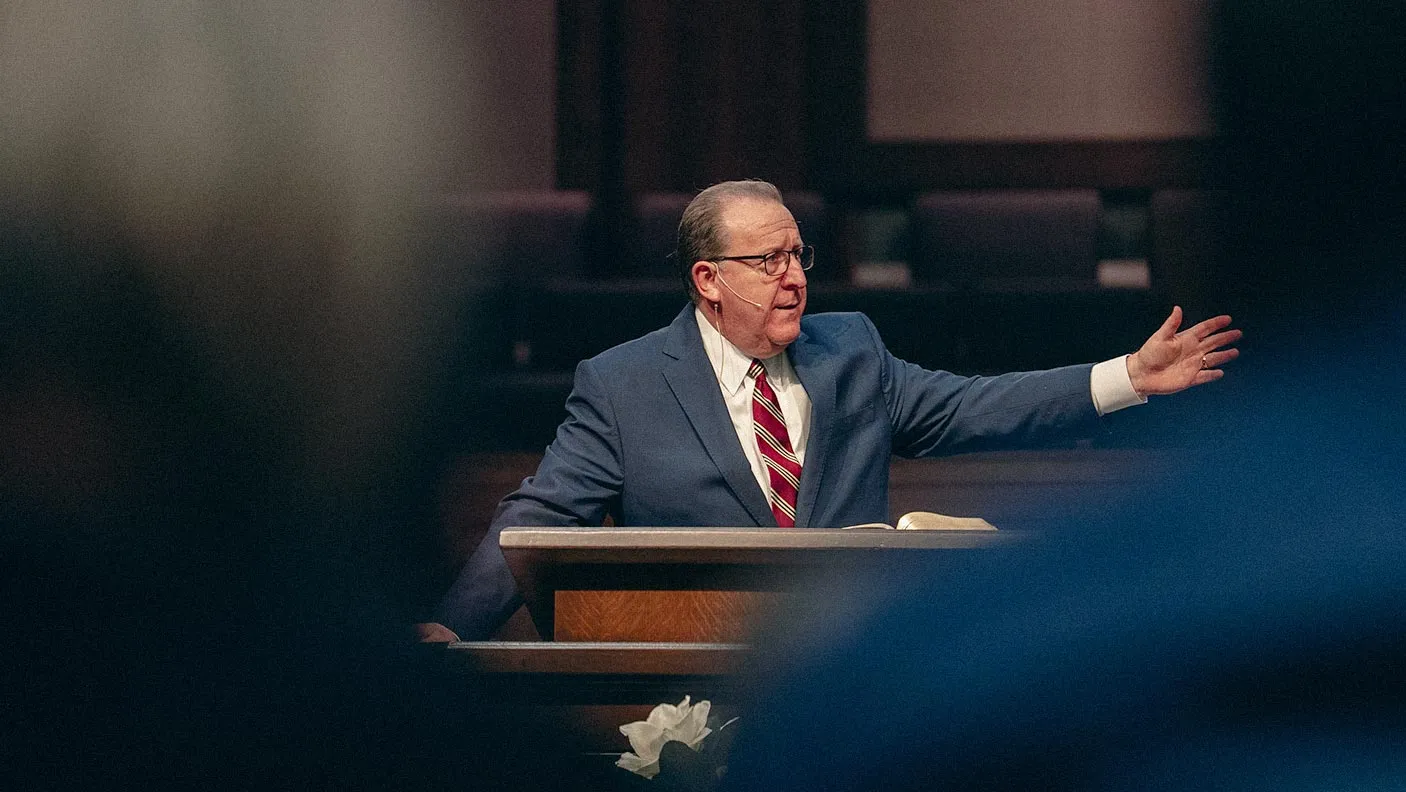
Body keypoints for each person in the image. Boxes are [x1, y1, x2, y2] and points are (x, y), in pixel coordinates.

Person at [422, 179, 1241, 641]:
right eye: (768, 259)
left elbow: (973, 407)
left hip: (840, 659)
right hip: (692, 672)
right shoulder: (624, 384)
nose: (794, 276)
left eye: (797, 254)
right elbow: (540, 515)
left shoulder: (849, 350)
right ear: (708, 280)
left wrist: (1127, 375)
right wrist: (452, 631)